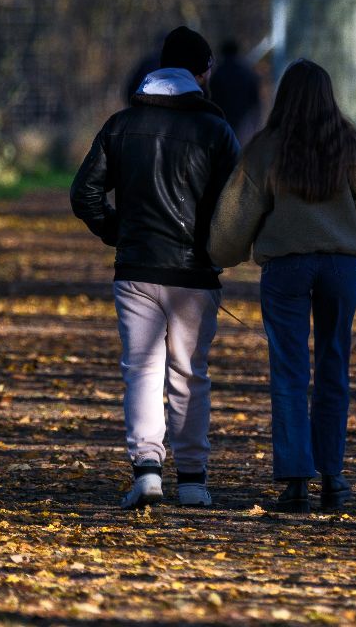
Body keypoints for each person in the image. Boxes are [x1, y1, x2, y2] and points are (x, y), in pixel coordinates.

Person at [208, 59, 356, 513]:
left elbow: (233, 221)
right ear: (329, 96)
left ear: (284, 96)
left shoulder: (265, 149)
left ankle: (295, 482)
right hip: (338, 269)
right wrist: (355, 247)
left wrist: (221, 257)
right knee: (334, 367)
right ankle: (333, 477)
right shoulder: (349, 146)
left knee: (289, 372)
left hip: (286, 272)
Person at [72, 26, 240, 509]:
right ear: (202, 73)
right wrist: (217, 249)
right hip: (195, 275)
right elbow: (235, 207)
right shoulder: (217, 131)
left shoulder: (122, 124)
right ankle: (192, 480)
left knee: (141, 370)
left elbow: (83, 194)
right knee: (191, 375)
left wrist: (117, 231)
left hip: (136, 269)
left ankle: (147, 471)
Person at [207, 38, 263, 144]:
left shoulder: (217, 74)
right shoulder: (248, 74)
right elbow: (255, 103)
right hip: (244, 125)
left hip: (223, 123)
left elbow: (212, 101)